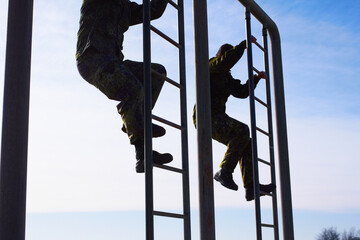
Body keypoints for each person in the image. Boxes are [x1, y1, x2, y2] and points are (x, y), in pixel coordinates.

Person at [76, 0, 172, 173]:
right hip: (92, 60)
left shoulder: (125, 7)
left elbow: (153, 11)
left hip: (112, 61)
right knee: (133, 89)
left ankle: (135, 120)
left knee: (156, 72)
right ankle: (142, 155)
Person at [193, 37, 275, 201]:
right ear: (220, 55)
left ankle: (251, 187)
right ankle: (224, 172)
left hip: (218, 117)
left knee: (247, 142)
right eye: (226, 55)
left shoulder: (226, 78)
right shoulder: (209, 66)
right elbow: (225, 62)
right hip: (205, 116)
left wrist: (256, 78)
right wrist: (243, 45)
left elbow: (242, 92)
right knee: (242, 130)